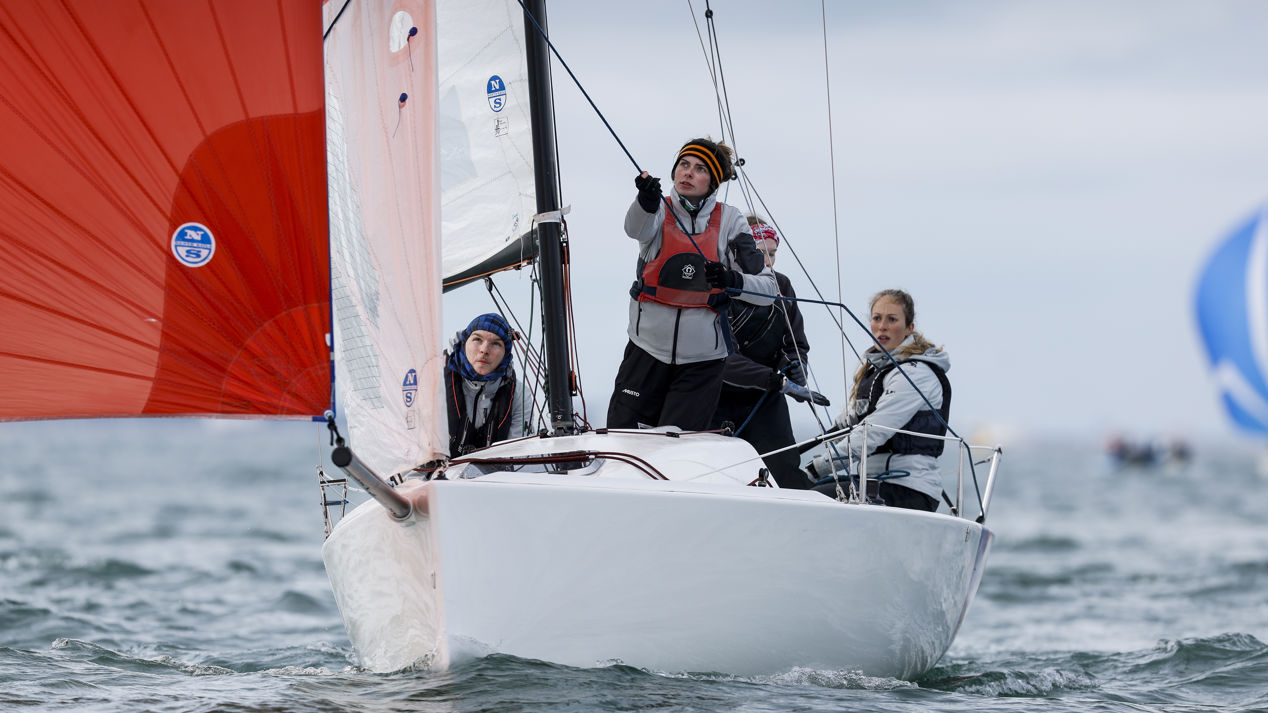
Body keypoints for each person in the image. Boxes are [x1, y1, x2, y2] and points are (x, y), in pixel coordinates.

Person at [607, 138, 778, 431]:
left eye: (699, 169)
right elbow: (634, 229)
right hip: (646, 353)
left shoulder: (731, 221)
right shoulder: (657, 209)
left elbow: (769, 291)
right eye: (683, 165)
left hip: (702, 365)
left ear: (712, 182)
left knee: (677, 451)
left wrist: (733, 281)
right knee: (623, 438)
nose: (687, 173)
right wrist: (645, 202)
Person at [711, 217, 828, 489]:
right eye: (759, 253)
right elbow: (724, 359)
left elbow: (795, 341)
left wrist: (796, 364)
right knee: (717, 475)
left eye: (772, 254)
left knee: (784, 474)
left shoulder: (781, 286)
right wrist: (778, 381)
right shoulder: (722, 285)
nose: (766, 262)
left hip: (766, 397)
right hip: (718, 397)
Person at [810, 289, 950, 511]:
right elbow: (861, 420)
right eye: (877, 318)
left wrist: (818, 467)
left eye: (892, 319)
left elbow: (873, 431)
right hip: (876, 480)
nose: (882, 326)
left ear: (909, 328)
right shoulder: (880, 369)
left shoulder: (916, 374)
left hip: (908, 489)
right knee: (804, 492)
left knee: (812, 497)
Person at [443, 313, 531, 456]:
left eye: (496, 343)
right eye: (477, 339)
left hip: (495, 476)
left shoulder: (519, 395)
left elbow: (517, 456)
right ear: (465, 342)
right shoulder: (431, 382)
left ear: (505, 354)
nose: (484, 350)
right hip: (433, 476)